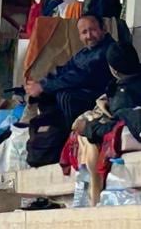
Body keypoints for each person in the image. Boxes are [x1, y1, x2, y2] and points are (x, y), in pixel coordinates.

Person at [22, 13, 117, 142]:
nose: (89, 36)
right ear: (79, 35)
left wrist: (44, 86)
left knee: (64, 96)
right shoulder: (85, 52)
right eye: (84, 32)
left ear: (103, 29)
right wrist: (41, 83)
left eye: (93, 30)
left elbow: (81, 76)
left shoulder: (109, 50)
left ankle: (69, 138)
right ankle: (45, 135)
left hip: (102, 96)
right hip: (83, 90)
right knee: (44, 95)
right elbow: (64, 70)